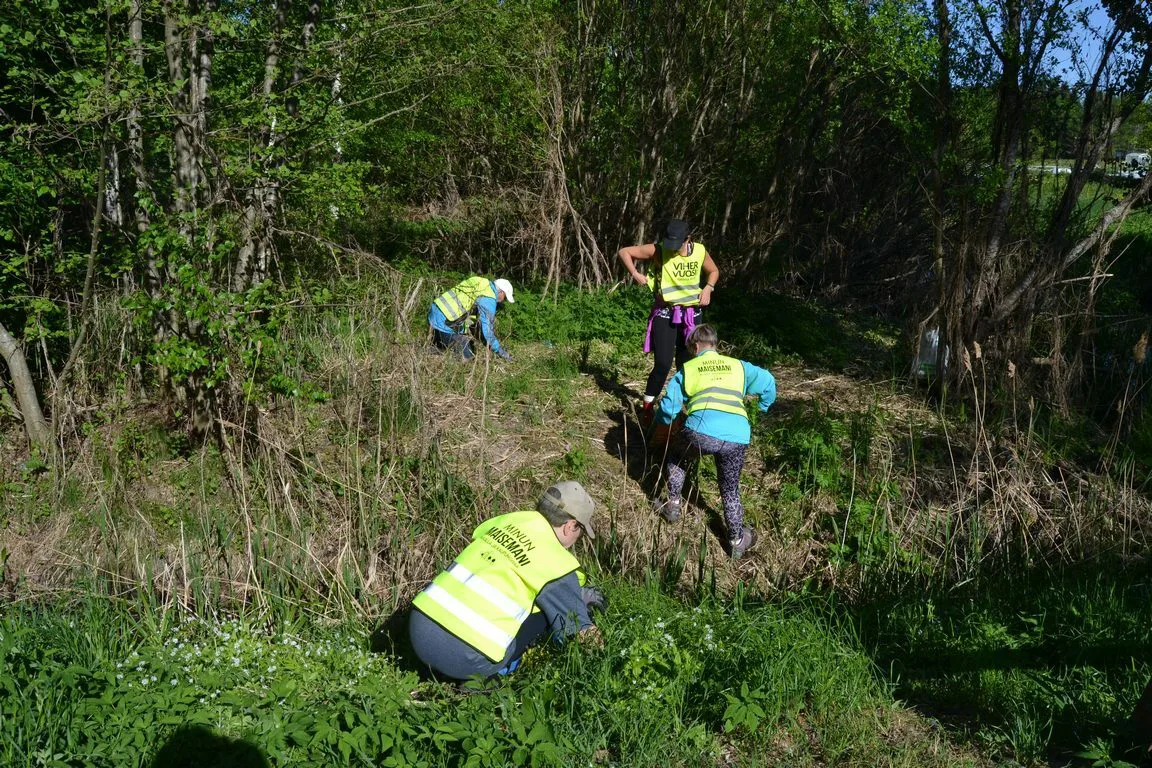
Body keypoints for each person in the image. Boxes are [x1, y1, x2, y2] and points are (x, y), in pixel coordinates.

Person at [408, 481, 606, 681]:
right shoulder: (556, 564)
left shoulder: (506, 522)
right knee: (547, 611)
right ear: (570, 526)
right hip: (468, 659)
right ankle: (488, 680)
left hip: (418, 632)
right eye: (580, 532)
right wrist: (609, 662)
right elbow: (584, 633)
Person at [653, 324, 776, 559]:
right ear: (715, 344)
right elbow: (768, 381)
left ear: (696, 346)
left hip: (700, 432)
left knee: (677, 455)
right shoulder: (738, 366)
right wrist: (762, 407)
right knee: (730, 488)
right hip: (737, 435)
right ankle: (737, 540)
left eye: (691, 348)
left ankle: (673, 506)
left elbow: (668, 406)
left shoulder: (689, 369)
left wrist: (662, 423)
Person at [618, 220, 719, 418]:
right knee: (663, 364)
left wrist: (709, 287)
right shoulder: (659, 249)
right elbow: (624, 252)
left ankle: (686, 410)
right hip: (665, 313)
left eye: (678, 244)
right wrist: (635, 273)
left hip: (691, 315)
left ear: (688, 239)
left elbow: (714, 271)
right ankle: (646, 410)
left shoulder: (699, 251)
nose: (672, 249)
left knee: (687, 364)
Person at [428, 276, 515, 360]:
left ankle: (433, 350)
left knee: (457, 343)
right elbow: (488, 332)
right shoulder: (489, 299)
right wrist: (499, 351)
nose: (503, 300)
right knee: (467, 357)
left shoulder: (480, 282)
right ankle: (435, 355)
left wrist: (464, 331)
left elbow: (470, 311)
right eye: (505, 297)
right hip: (443, 323)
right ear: (501, 292)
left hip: (434, 313)